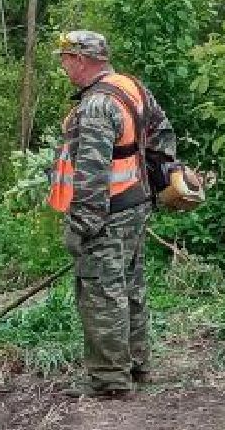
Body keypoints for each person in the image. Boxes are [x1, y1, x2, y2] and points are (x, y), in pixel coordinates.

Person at [47, 30, 179, 398]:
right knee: (130, 287)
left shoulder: (95, 106)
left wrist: (82, 225)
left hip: (106, 213)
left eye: (65, 59)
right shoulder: (131, 87)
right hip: (135, 205)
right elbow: (162, 137)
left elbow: (92, 173)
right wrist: (156, 183)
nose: (63, 66)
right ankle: (136, 365)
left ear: (81, 60)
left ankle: (109, 380)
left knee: (102, 293)